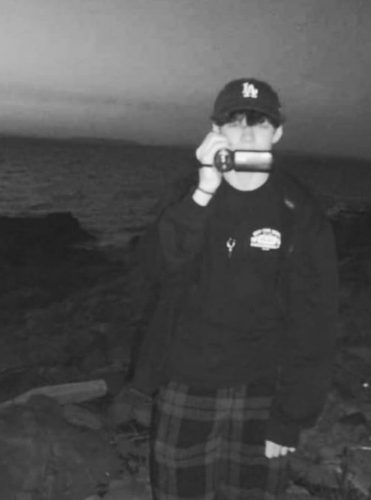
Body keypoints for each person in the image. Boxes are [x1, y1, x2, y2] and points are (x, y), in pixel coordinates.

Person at [112, 78, 339, 499]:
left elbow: (316, 316)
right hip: (186, 379)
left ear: (278, 133)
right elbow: (150, 273)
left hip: (264, 386)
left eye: (260, 123)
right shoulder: (188, 195)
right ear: (215, 131)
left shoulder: (298, 209)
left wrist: (292, 413)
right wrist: (203, 190)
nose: (247, 135)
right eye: (235, 123)